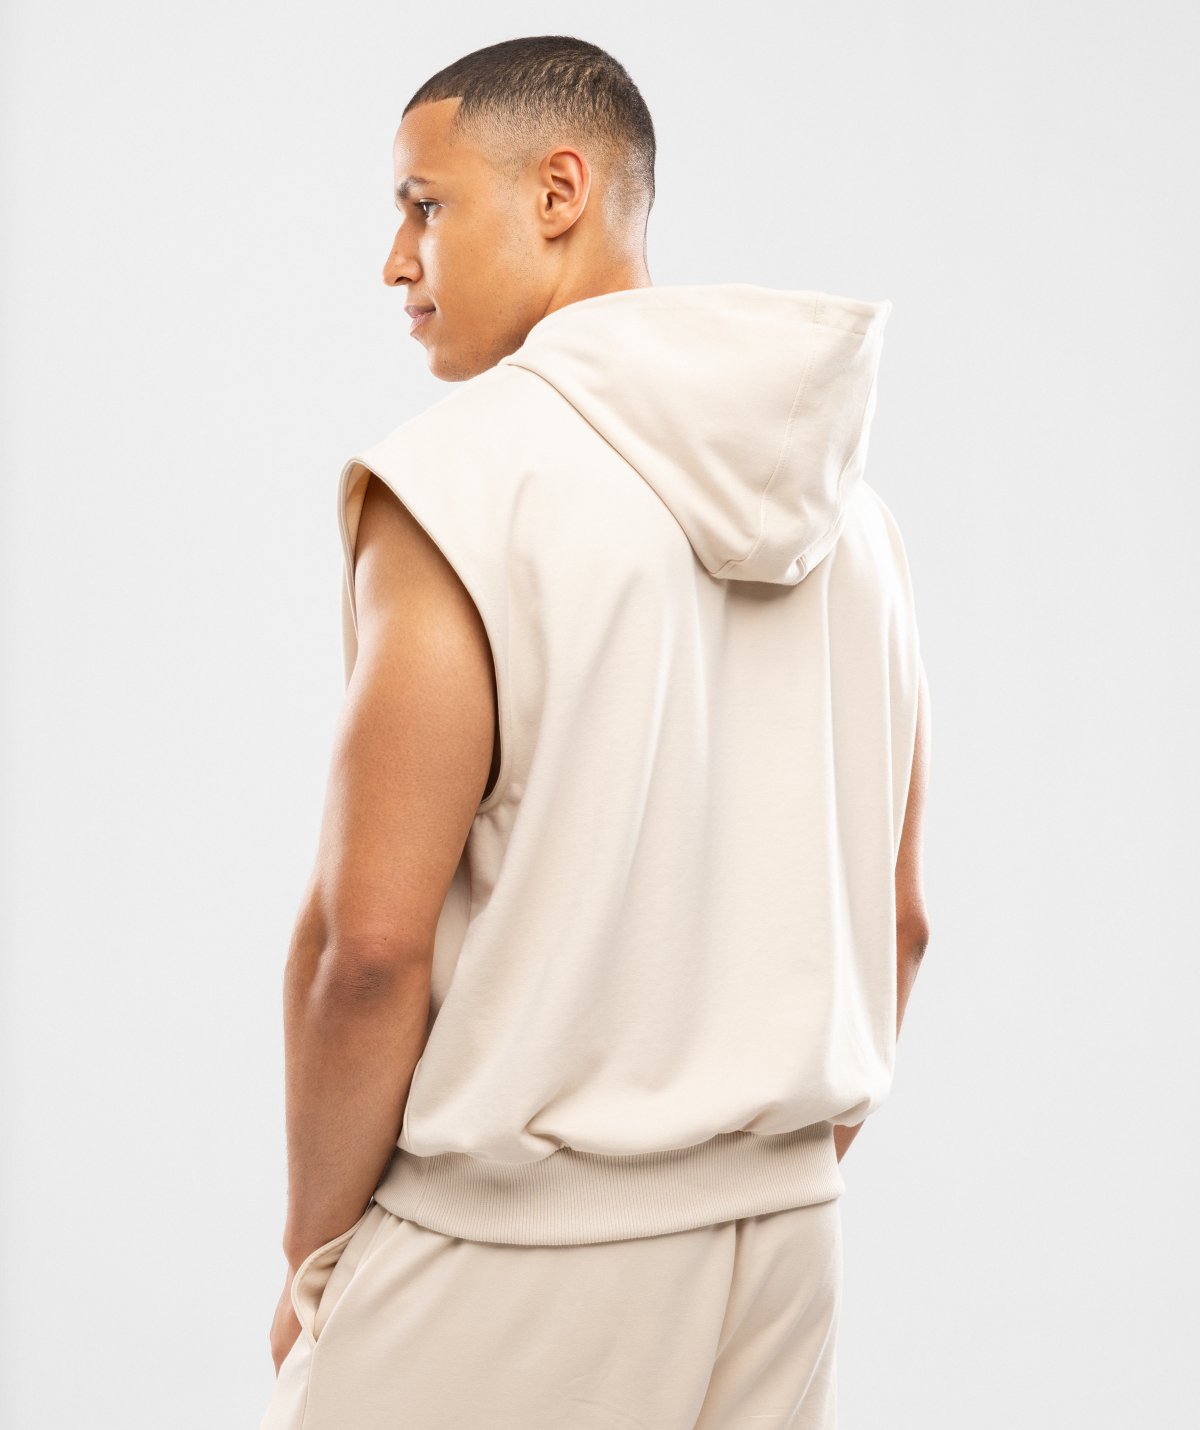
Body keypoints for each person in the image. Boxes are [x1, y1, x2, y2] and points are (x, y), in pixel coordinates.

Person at [261, 32, 931, 1430]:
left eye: (425, 205)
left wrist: (315, 1255)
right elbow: (901, 923)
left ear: (558, 191)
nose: (395, 261)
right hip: (786, 1248)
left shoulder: (459, 484)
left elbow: (363, 948)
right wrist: (755, 1171)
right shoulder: (854, 520)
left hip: (506, 1255)